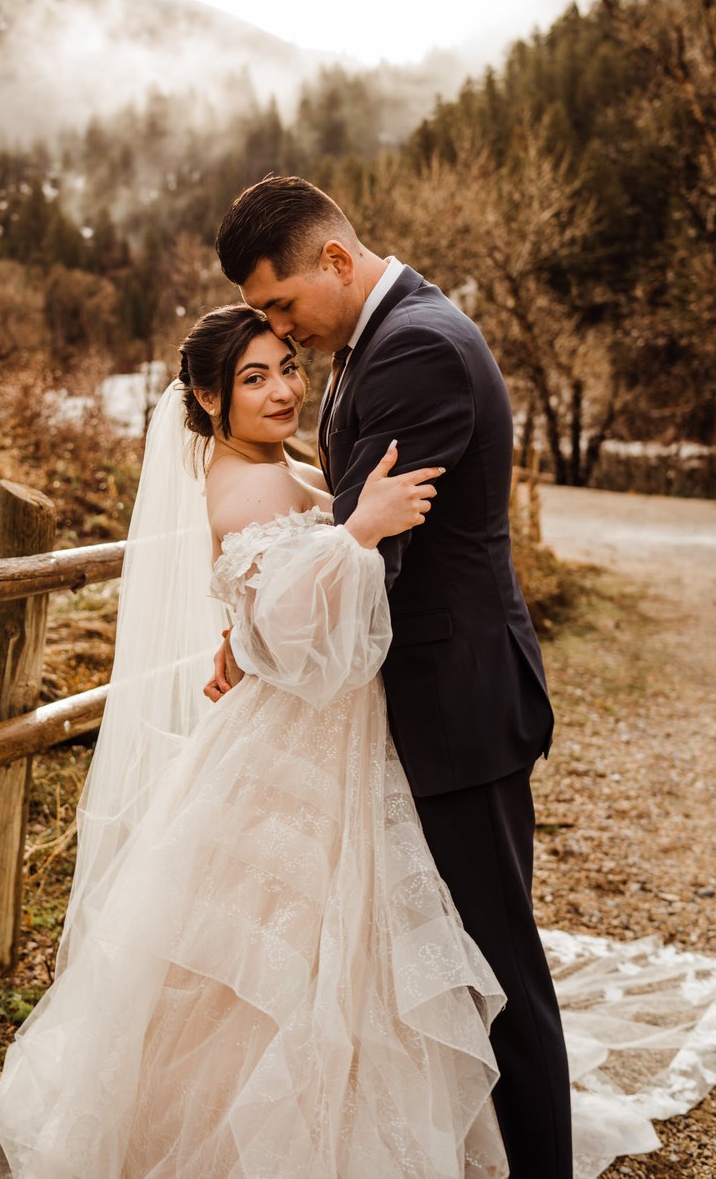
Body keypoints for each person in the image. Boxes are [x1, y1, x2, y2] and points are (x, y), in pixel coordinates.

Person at [0, 298, 716, 1179]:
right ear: (211, 401)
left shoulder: (270, 462)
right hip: (303, 742)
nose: (284, 388)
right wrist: (359, 530)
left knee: (356, 955)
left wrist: (245, 625)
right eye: (255, 378)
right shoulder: (242, 478)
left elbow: (267, 599)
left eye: (288, 365)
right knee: (291, 962)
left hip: (335, 734)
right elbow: (297, 631)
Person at [212, 175, 571, 1176]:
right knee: (447, 966)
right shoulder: (388, 335)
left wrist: (259, 626)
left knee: (496, 974)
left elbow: (368, 548)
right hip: (424, 697)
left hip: (454, 704)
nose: (282, 329)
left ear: (334, 259)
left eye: (283, 306)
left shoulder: (414, 346)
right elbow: (347, 525)